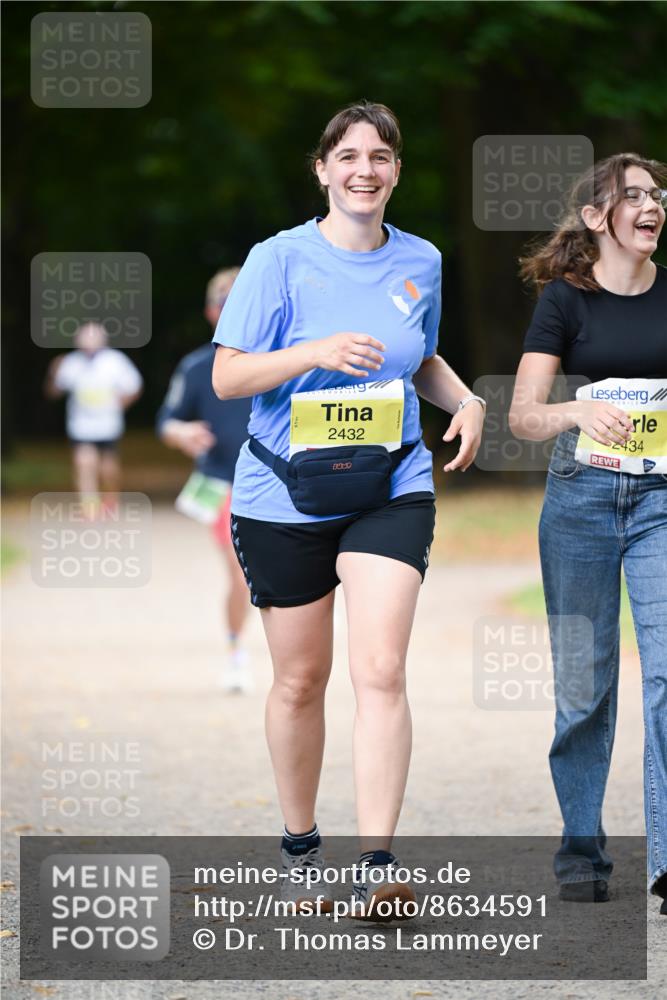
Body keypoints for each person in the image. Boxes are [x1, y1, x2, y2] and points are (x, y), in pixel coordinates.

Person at [211, 101, 485, 918]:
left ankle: (376, 864)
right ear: (323, 169)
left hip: (389, 485)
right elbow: (229, 378)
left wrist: (464, 400)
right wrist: (313, 353)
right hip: (283, 492)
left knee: (380, 669)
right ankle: (301, 853)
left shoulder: (422, 261)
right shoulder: (277, 260)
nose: (364, 169)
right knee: (300, 679)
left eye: (381, 156)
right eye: (348, 156)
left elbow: (421, 357)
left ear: (396, 171)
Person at [509, 153, 667, 914]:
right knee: (584, 688)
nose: (650, 206)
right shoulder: (562, 302)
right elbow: (523, 415)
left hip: (662, 501)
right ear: (599, 218)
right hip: (579, 499)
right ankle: (580, 851)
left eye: (657, 195)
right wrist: (575, 412)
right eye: (631, 196)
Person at [157, 268, 253, 693]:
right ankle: (235, 652)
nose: (230, 309)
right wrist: (182, 433)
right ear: (210, 312)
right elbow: (166, 421)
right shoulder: (196, 367)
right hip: (220, 484)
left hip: (280, 482)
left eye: (240, 301)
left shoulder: (284, 360)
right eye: (222, 302)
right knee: (241, 574)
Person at [44, 322, 143, 516]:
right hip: (81, 426)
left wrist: (120, 405)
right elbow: (54, 392)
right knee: (85, 462)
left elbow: (134, 387)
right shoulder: (71, 363)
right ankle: (89, 507)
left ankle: (111, 498)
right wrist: (53, 373)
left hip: (108, 425)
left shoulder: (115, 361)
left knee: (108, 469)